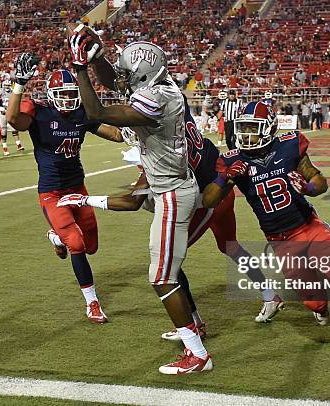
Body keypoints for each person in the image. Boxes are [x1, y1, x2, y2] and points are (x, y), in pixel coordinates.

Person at [202, 101, 330, 370]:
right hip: (280, 240)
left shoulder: (289, 146)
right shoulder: (234, 160)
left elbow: (319, 180)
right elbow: (208, 201)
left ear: (270, 128)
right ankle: (321, 309)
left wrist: (309, 188)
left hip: (309, 227)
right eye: (244, 129)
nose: (247, 135)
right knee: (313, 300)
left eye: (253, 129)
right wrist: (223, 179)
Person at [58, 95, 285, 332]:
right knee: (230, 246)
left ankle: (194, 324)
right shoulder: (178, 117)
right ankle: (270, 294)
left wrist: (85, 199)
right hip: (220, 188)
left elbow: (132, 202)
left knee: (169, 263)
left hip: (210, 199)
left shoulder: (161, 149)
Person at [68, 26, 212, 374]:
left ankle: (198, 354)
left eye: (128, 74)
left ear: (143, 76)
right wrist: (98, 56)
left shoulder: (155, 100)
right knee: (169, 270)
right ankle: (194, 328)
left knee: (161, 277)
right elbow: (115, 83)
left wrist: (79, 69)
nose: (122, 78)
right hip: (172, 188)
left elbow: (98, 112)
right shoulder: (159, 88)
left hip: (173, 193)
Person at [6, 61, 124, 324]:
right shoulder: (40, 113)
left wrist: (134, 128)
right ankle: (92, 303)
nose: (68, 99)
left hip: (78, 188)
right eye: (63, 94)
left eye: (72, 94)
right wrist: (19, 84)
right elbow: (14, 119)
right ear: (51, 95)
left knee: (91, 246)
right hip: (52, 191)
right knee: (78, 244)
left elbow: (115, 135)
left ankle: (56, 238)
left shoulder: (82, 114)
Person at [0, 79, 25, 155]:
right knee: (3, 130)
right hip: (2, 112)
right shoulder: (0, 92)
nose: (7, 87)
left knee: (14, 128)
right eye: (6, 85)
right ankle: (5, 147)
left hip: (10, 111)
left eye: (8, 85)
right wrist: (0, 107)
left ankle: (18, 144)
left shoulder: (12, 92)